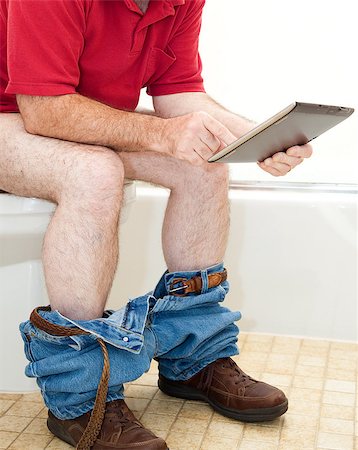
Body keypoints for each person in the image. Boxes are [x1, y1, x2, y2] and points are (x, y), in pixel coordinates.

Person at [0, 0, 313, 449]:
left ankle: (195, 355)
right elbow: (44, 111)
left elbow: (178, 92)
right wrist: (164, 135)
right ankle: (80, 397)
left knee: (205, 161)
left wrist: (258, 136)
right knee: (94, 172)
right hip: (12, 118)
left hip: (79, 120)